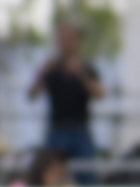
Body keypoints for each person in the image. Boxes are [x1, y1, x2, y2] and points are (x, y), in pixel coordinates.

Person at [27, 21, 104, 164]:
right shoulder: (52, 67)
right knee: (50, 169)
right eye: (63, 38)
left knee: (87, 172)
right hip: (57, 128)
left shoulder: (86, 67)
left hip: (80, 128)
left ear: (78, 41)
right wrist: (43, 72)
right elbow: (31, 94)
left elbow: (101, 93)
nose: (66, 42)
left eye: (70, 38)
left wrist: (80, 74)